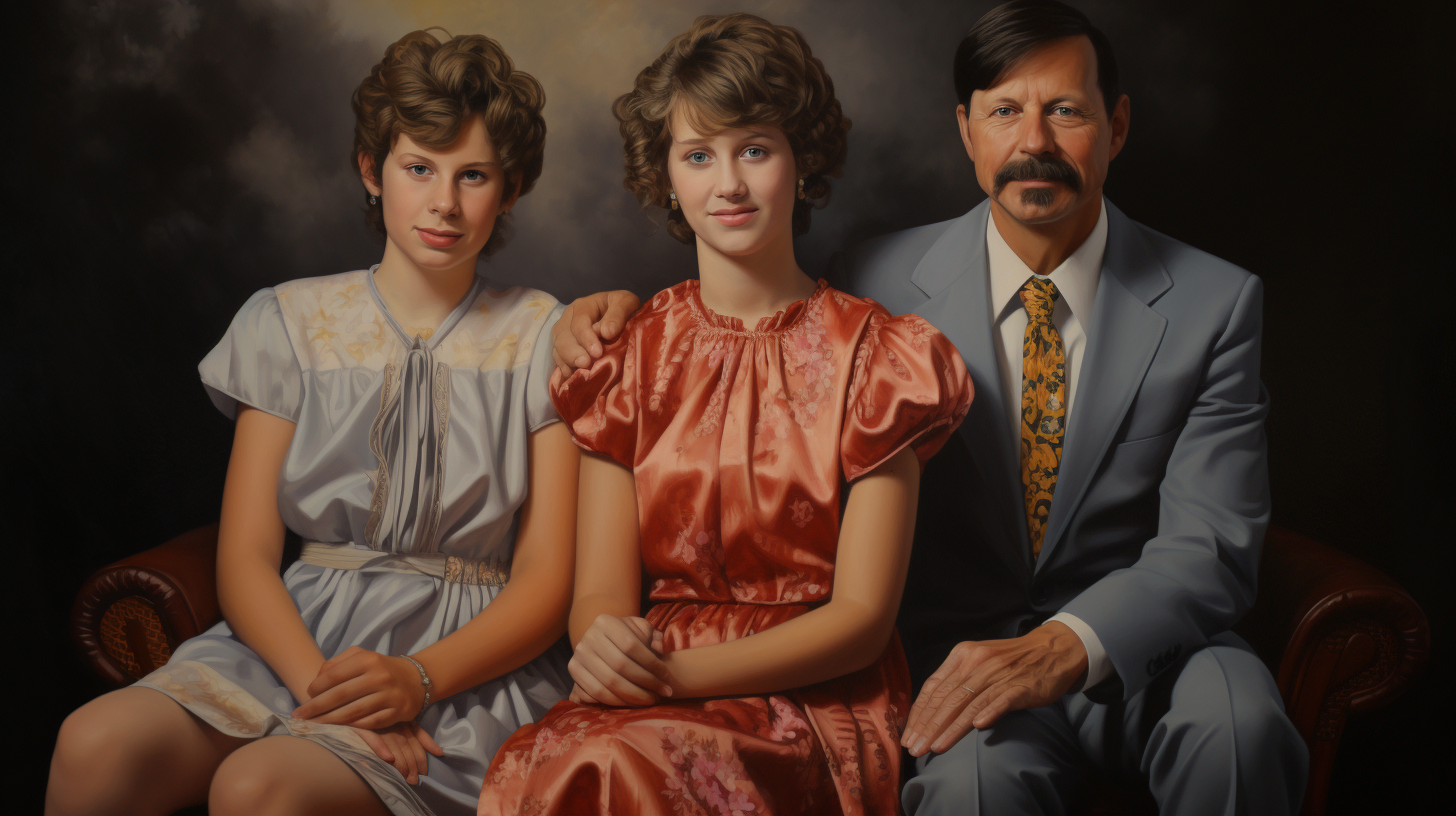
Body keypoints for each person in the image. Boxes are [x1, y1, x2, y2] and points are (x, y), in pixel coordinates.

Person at [550, 2, 1309, 814]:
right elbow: (759, 317)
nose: (1035, 143)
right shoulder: (874, 280)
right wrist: (604, 314)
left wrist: (1067, 645)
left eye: (1065, 111)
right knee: (971, 788)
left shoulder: (1215, 302)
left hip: (1152, 652)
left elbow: (1212, 547)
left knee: (1242, 721)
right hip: (956, 657)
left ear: (1116, 125)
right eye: (1006, 112)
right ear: (966, 130)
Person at [47, 30, 577, 816]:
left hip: (463, 666)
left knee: (259, 788)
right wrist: (325, 693)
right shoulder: (288, 320)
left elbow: (546, 580)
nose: (444, 202)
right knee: (92, 742)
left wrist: (416, 681)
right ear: (372, 170)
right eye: (418, 168)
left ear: (510, 188)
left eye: (474, 176)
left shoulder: (544, 336)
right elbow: (248, 556)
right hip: (290, 641)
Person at [477, 14, 971, 816]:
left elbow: (861, 621)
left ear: (801, 163)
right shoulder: (626, 356)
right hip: (646, 685)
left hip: (811, 694)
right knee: (557, 758)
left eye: (755, 149)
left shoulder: (878, 356)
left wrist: (673, 677)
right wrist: (605, 643)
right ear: (666, 176)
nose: (728, 183)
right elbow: (601, 595)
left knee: (611, 764)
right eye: (698, 155)